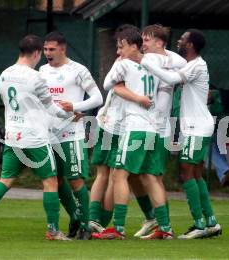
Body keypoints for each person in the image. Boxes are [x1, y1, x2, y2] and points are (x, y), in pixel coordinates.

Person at [0, 35, 73, 241]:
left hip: (13, 136)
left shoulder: (4, 75)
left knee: (7, 178)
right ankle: (53, 230)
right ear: (37, 53)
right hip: (35, 138)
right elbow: (52, 108)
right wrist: (71, 113)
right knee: (50, 181)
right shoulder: (35, 77)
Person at [140, 29, 222, 239]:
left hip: (198, 127)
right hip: (192, 127)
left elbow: (170, 77)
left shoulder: (197, 65)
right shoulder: (191, 64)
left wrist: (145, 61)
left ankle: (199, 224)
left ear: (191, 45)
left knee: (186, 170)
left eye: (183, 39)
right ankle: (210, 222)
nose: (179, 40)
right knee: (195, 174)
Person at [94, 27, 174, 240]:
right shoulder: (156, 62)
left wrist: (122, 68)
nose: (119, 52)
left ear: (134, 46)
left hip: (135, 127)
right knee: (150, 178)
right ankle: (165, 228)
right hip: (152, 129)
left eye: (122, 47)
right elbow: (178, 66)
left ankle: (118, 228)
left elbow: (107, 84)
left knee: (119, 175)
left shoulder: (126, 64)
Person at [39, 31, 103, 240]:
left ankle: (85, 226)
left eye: (52, 49)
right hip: (49, 135)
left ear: (63, 49)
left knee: (75, 180)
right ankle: (75, 216)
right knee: (55, 180)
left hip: (71, 133)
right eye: (45, 49)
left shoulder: (78, 70)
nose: (48, 53)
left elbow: (97, 97)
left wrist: (75, 106)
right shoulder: (42, 70)